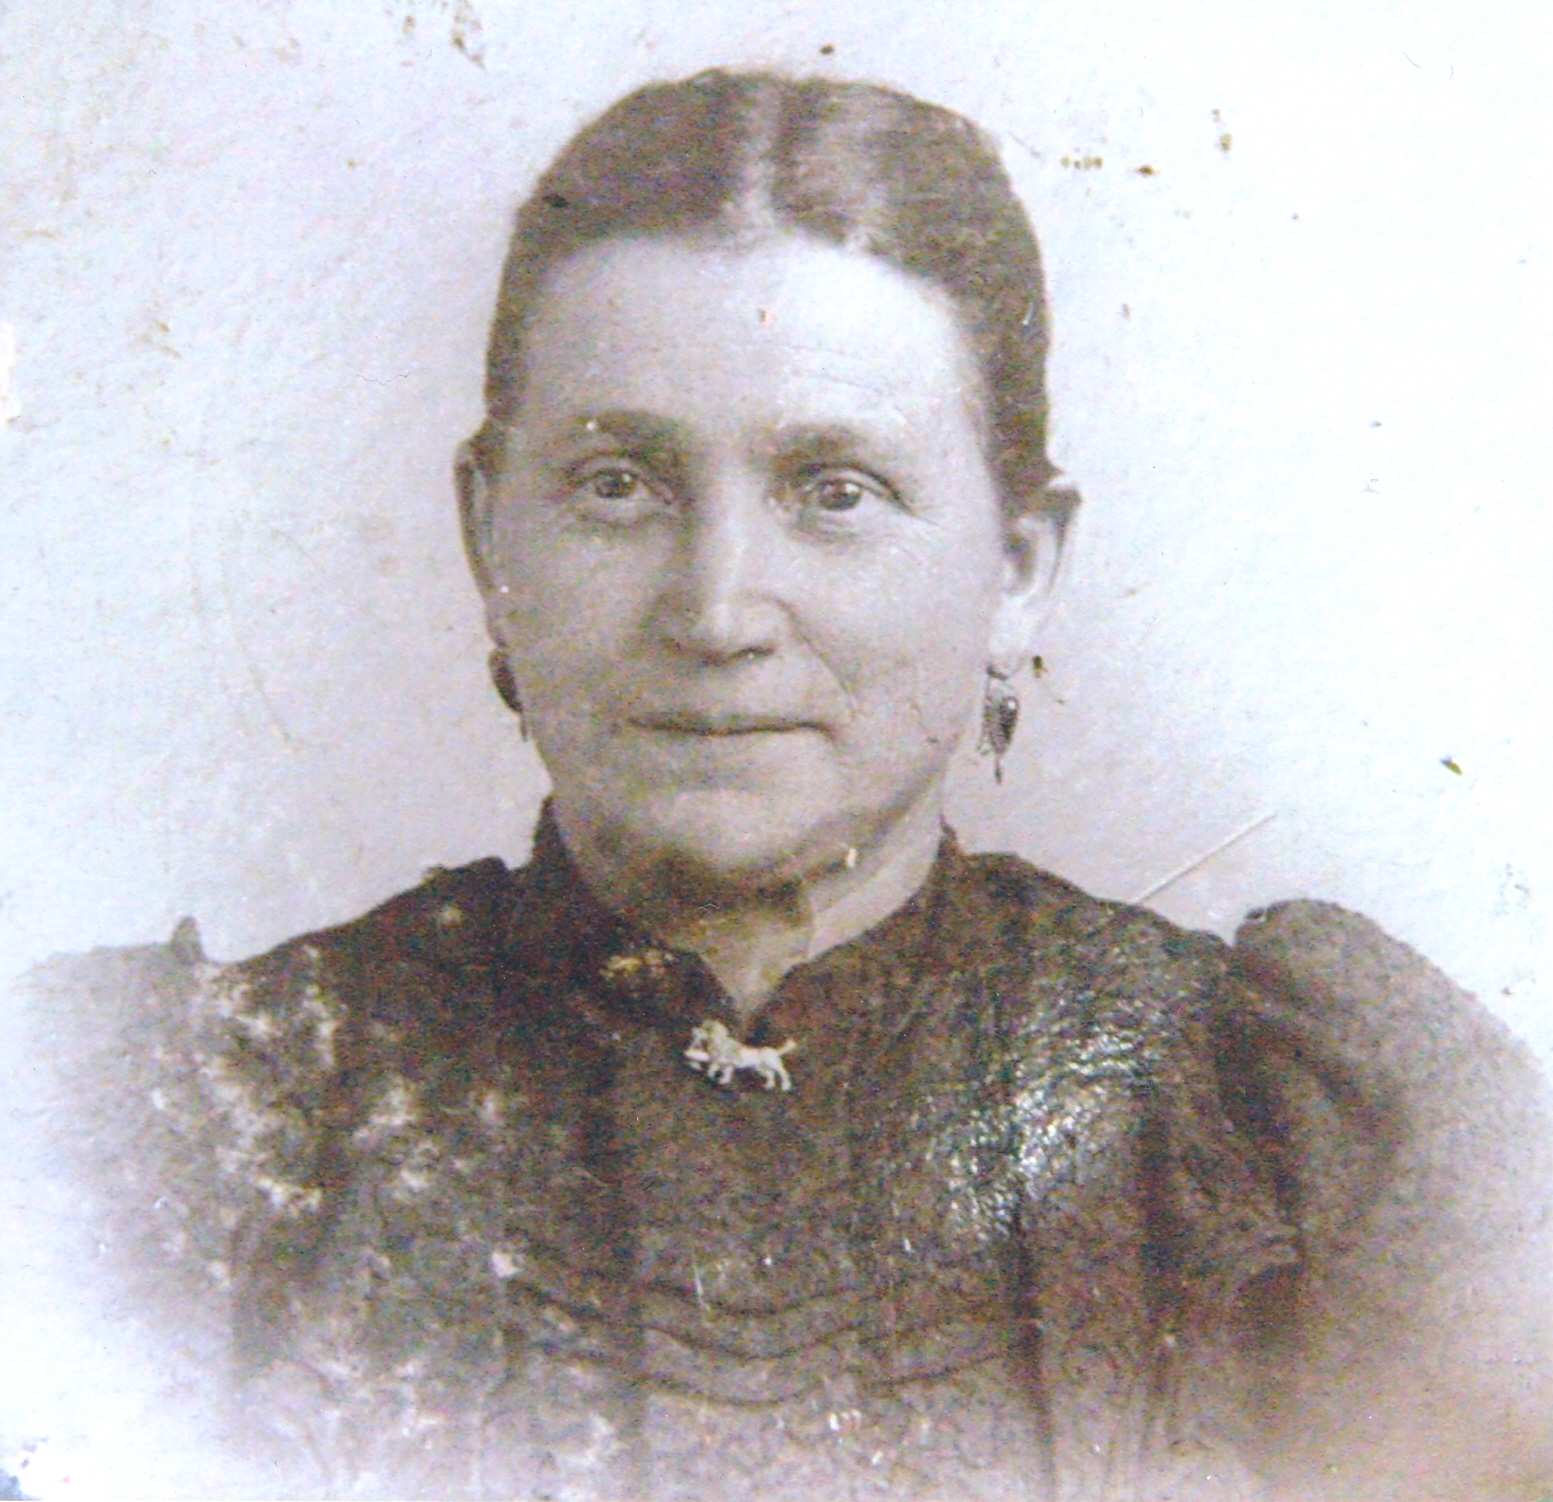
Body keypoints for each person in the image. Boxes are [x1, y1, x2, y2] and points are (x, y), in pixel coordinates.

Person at [17, 69, 1553, 1501]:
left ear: (1019, 566)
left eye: (835, 490)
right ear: (490, 537)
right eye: (617, 483)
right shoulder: (170, 1132)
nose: (715, 610)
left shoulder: (1292, 1142)